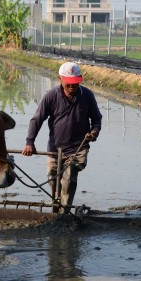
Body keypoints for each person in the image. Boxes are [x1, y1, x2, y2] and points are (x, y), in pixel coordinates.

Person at [22, 61, 103, 213]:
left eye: (75, 83)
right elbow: (37, 119)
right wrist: (29, 142)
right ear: (60, 79)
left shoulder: (87, 96)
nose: (72, 87)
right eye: (68, 83)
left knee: (69, 177)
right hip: (55, 148)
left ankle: (64, 213)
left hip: (78, 148)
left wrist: (94, 132)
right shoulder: (51, 97)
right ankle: (56, 208)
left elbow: (97, 118)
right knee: (53, 179)